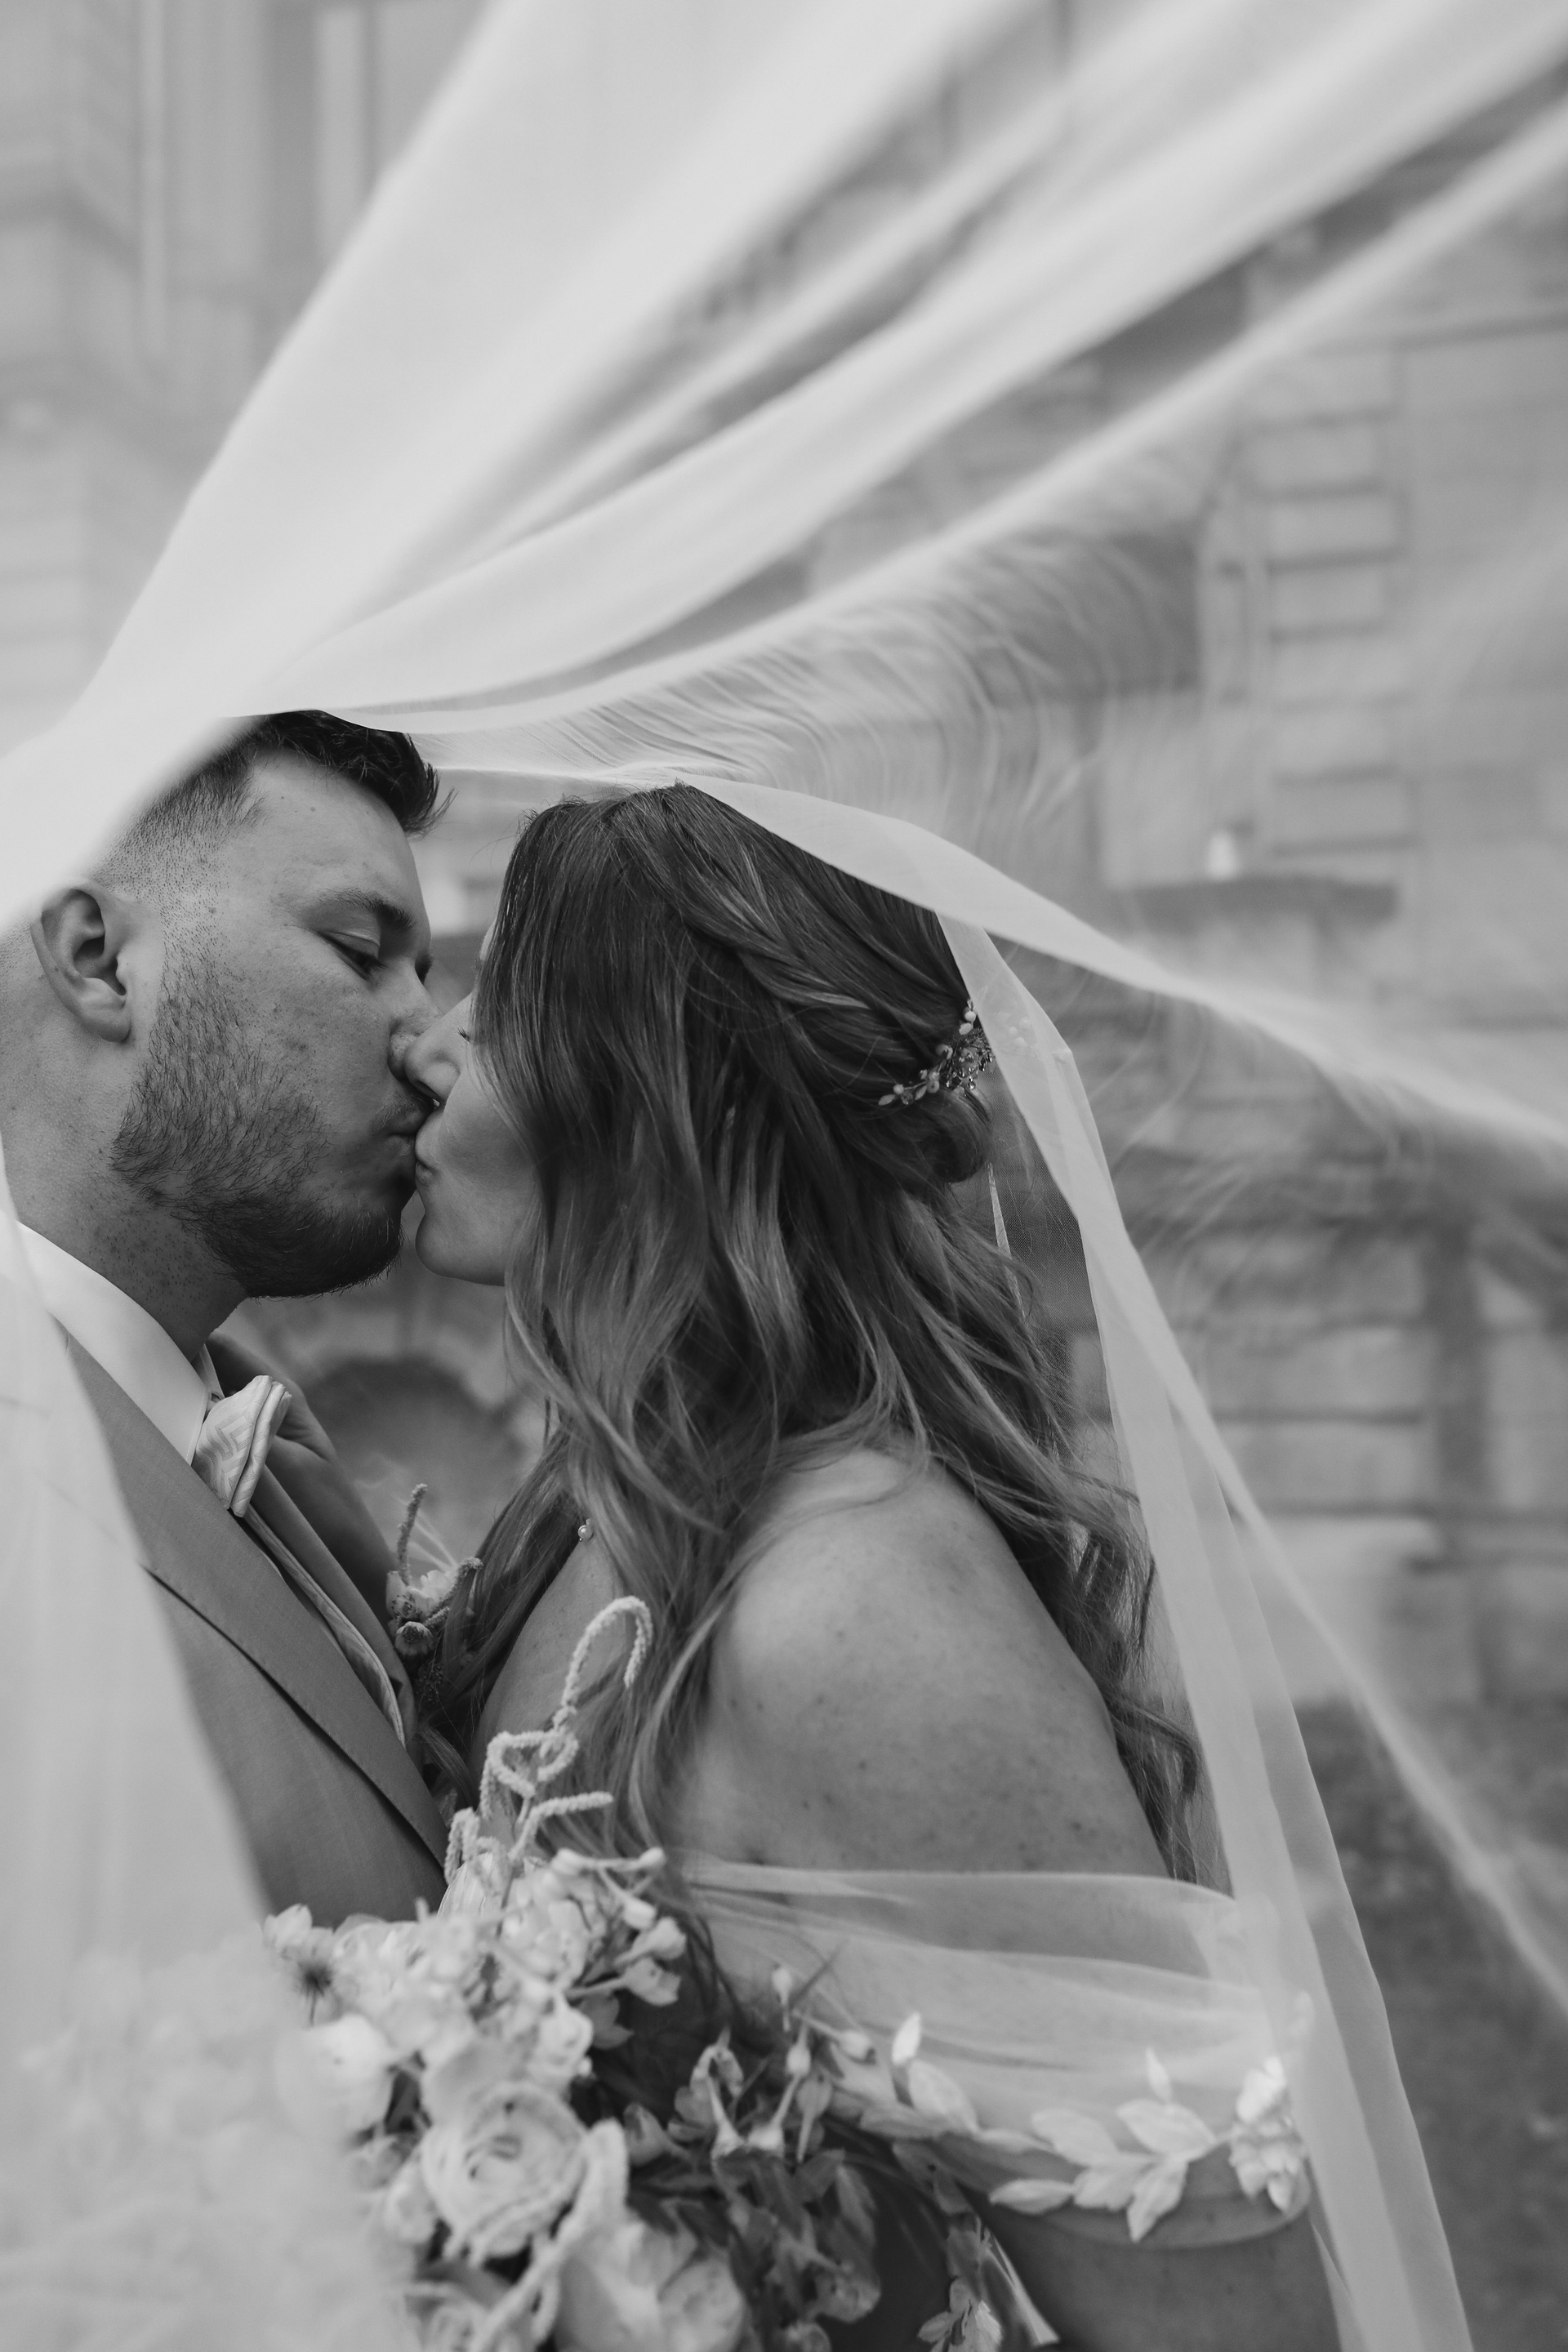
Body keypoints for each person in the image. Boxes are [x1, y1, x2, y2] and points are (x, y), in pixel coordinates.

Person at [403, 784, 1342, 2351]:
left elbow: (1229, 2322)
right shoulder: (605, 1502)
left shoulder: (860, 1605)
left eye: (495, 1011)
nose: (429, 1048)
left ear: (651, 1106)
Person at [0, 710, 449, 1925]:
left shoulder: (263, 1442)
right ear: (99, 959)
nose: (431, 1046)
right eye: (361, 951)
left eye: (425, 974)